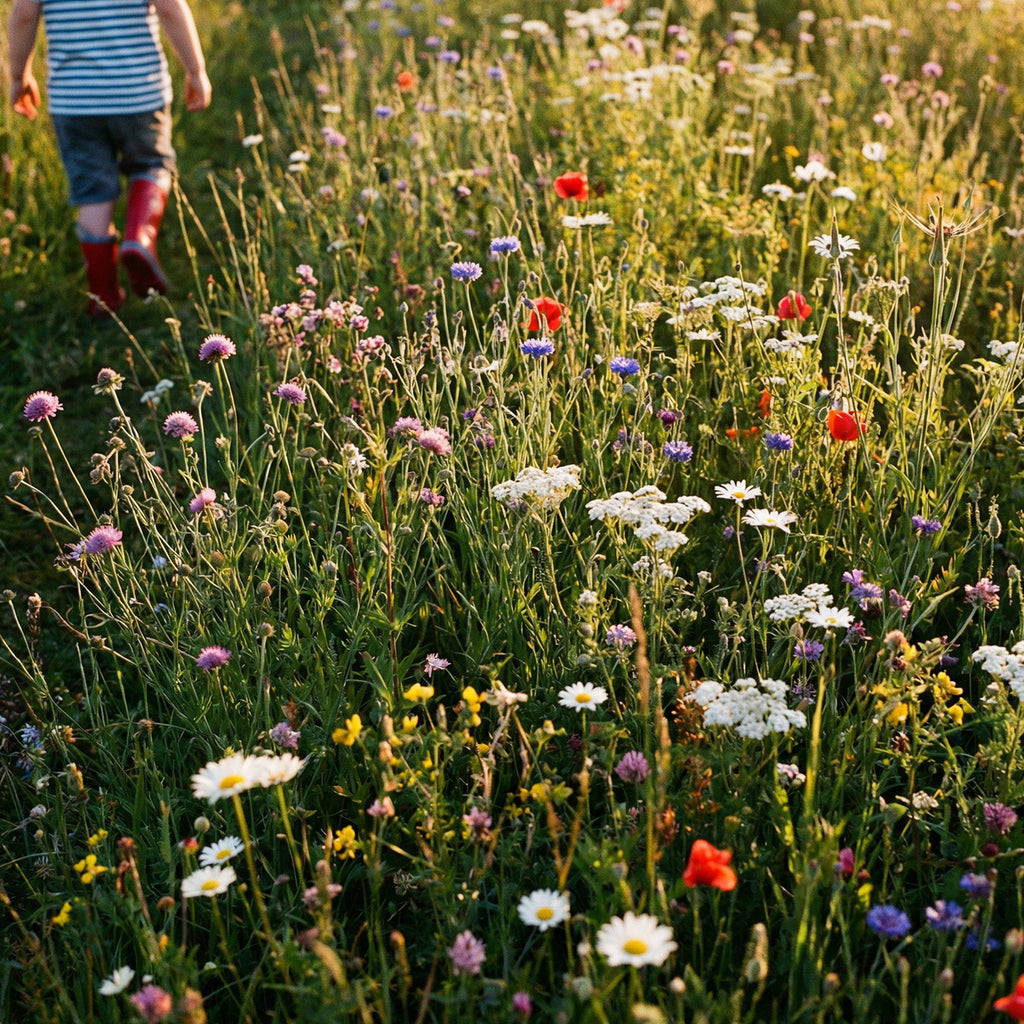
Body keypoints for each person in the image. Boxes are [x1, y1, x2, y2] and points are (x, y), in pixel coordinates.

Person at [7, 0, 212, 317]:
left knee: (93, 190)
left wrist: (18, 77)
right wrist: (195, 70)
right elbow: (171, 9)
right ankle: (140, 239)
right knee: (151, 165)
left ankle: (103, 295)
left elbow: (23, 15)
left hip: (74, 102)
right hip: (139, 94)